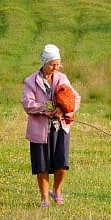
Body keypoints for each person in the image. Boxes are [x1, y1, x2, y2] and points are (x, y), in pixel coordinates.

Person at [21, 44, 81, 207]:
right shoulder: (31, 81)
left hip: (61, 127)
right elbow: (27, 103)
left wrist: (63, 110)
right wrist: (47, 109)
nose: (55, 67)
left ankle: (57, 191)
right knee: (42, 166)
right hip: (39, 129)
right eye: (52, 64)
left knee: (62, 163)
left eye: (57, 64)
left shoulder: (62, 78)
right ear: (44, 62)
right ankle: (44, 199)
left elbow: (75, 98)